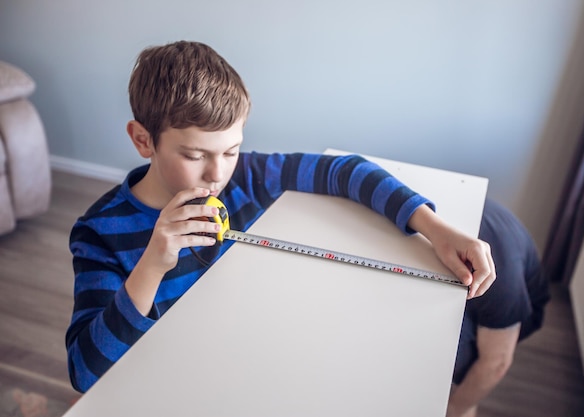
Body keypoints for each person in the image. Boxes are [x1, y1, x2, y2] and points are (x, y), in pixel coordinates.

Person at [65, 40, 496, 393]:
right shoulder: (100, 232)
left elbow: (344, 171)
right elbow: (86, 374)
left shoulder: (245, 177)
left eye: (231, 151)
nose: (217, 174)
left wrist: (435, 229)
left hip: (251, 359)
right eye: (195, 155)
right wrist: (150, 268)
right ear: (144, 140)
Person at [446, 198, 551, 417]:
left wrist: (457, 408)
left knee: (442, 345)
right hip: (486, 277)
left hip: (519, 311)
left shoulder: (501, 278)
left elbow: (497, 363)